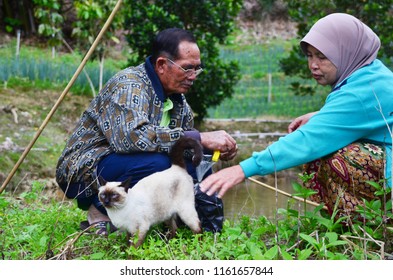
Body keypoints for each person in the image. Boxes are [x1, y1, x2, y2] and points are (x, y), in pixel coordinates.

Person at [200, 13, 393, 220]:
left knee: (339, 157)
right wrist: (321, 115)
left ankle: (370, 222)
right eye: (310, 55)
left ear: (347, 53)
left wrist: (242, 169)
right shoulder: (372, 73)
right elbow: (365, 111)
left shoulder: (360, 92)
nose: (313, 65)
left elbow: (307, 141)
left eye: (322, 56)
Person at [56, 28, 238, 235]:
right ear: (161, 65)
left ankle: (166, 219)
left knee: (191, 164)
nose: (193, 76)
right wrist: (200, 137)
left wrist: (207, 149)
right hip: (85, 169)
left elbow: (181, 147)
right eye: (187, 68)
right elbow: (131, 139)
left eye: (197, 69)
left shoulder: (179, 103)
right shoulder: (130, 85)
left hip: (129, 163)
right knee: (159, 164)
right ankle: (100, 213)